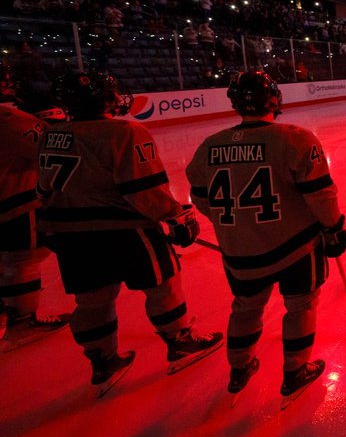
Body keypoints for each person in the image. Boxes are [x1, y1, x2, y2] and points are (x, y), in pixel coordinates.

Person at [37, 71, 222, 394]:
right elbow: (142, 188)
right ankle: (180, 341)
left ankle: (103, 359)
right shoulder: (125, 131)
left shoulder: (50, 134)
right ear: (103, 99)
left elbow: (41, 188)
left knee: (92, 298)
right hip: (124, 228)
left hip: (68, 231)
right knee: (163, 284)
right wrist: (175, 215)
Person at [185, 71, 346, 398]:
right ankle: (295, 371)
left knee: (245, 307)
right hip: (295, 247)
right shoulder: (295, 139)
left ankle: (239, 367)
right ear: (274, 100)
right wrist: (334, 228)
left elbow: (202, 198)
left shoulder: (209, 146)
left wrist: (238, 226)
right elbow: (320, 195)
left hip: (239, 252)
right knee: (301, 306)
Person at [0, 64, 71, 345]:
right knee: (23, 259)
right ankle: (23, 320)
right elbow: (50, 148)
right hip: (15, 197)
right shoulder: (8, 118)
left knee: (8, 260)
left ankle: (9, 310)